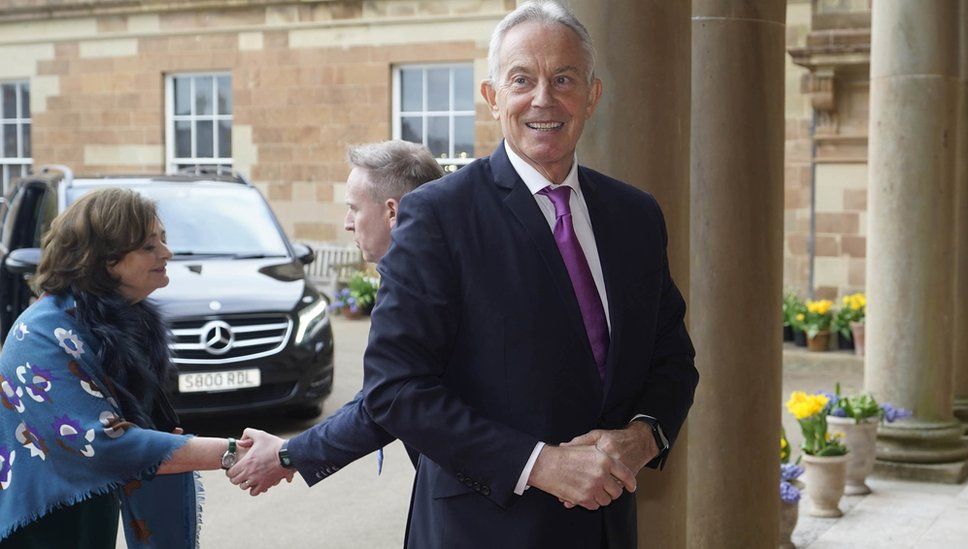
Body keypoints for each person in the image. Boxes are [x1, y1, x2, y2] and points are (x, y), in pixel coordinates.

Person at [360, 2, 699, 547]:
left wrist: (645, 437)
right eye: (522, 80)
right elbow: (395, 389)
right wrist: (539, 463)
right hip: (482, 528)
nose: (544, 98)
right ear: (493, 97)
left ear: (592, 96)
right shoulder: (438, 215)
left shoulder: (635, 215)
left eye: (564, 79)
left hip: (607, 528)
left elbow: (672, 359)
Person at [0, 187, 251, 548]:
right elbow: (103, 443)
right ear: (105, 259)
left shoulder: (117, 321)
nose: (167, 253)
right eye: (149, 246)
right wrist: (231, 452)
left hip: (88, 511)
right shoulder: (39, 334)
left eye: (163, 240)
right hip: (41, 525)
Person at [227, 140, 443, 494]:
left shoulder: (416, 283)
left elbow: (387, 404)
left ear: (393, 212)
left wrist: (286, 454)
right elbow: (385, 391)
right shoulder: (438, 266)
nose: (346, 224)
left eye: (353, 209)